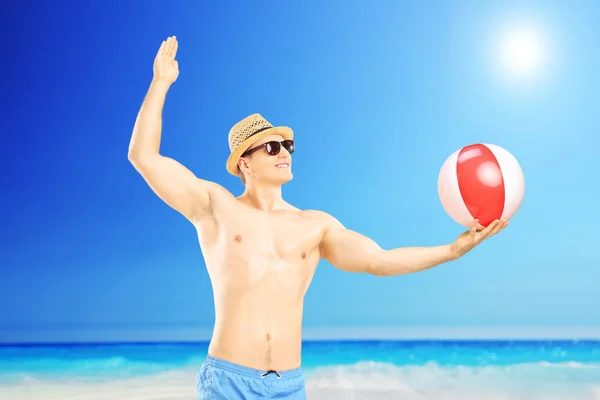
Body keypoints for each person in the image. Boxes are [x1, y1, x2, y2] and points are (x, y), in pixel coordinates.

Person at [128, 36, 509, 400]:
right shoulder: (216, 206)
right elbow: (143, 157)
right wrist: (161, 82)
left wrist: (452, 251)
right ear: (245, 162)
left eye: (288, 146)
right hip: (229, 382)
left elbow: (380, 260)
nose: (285, 153)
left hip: (288, 386)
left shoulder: (315, 225)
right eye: (272, 146)